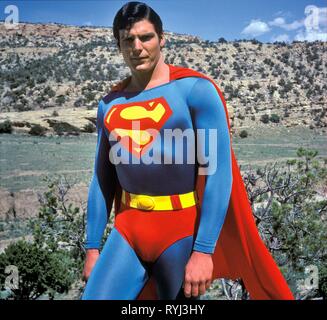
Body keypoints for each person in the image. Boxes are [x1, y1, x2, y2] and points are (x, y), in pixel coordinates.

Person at [81, 1, 294, 300]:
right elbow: (102, 179)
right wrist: (92, 247)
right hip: (128, 230)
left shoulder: (195, 91)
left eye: (146, 37)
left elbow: (217, 173)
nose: (137, 47)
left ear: (162, 38)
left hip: (179, 228)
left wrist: (204, 251)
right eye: (128, 40)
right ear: (118, 45)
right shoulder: (110, 103)